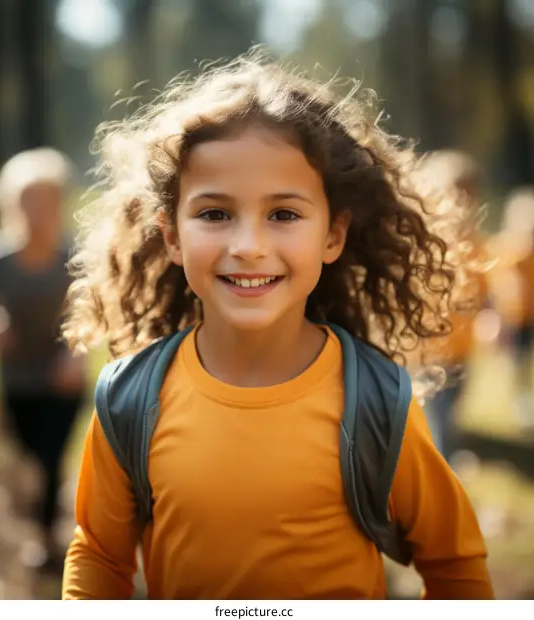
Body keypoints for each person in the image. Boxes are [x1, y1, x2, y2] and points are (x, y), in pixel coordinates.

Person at [61, 51, 494, 599]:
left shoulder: (377, 403)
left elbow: (456, 567)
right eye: (215, 214)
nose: (248, 247)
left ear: (332, 236)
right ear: (170, 234)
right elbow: (98, 556)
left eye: (284, 215)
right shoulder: (129, 399)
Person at [0, 148, 87, 572]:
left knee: (49, 456)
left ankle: (46, 539)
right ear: (10, 205)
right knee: (26, 453)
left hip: (62, 378)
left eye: (46, 199)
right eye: (27, 200)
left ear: (59, 202)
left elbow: (94, 309)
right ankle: (37, 515)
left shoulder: (75, 257)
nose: (37, 210)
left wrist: (75, 355)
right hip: (15, 379)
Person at [412, 150, 492, 461]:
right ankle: (442, 465)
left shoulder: (477, 243)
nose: (461, 206)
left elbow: (484, 291)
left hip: (463, 349)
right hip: (431, 352)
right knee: (436, 411)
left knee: (454, 404)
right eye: (453, 196)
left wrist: (489, 313)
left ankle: (442, 454)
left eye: (468, 197)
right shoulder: (424, 242)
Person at [489, 186, 534, 429]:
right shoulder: (509, 251)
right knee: (517, 357)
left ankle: (524, 397)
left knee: (526, 358)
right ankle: (520, 395)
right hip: (510, 317)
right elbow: (495, 279)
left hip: (532, 318)